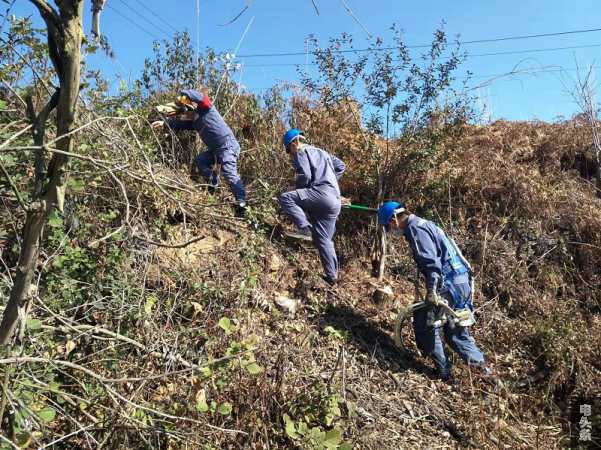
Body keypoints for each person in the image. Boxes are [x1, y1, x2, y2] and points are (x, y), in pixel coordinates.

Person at [378, 202, 499, 385]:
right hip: (461, 281)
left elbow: (431, 263)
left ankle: (445, 374)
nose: (392, 231)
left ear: (394, 220)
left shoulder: (415, 230)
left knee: (425, 326)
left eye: (389, 227)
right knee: (455, 332)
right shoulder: (426, 223)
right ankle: (487, 375)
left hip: (447, 285)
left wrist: (431, 290)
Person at [152, 89, 248, 214]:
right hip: (216, 151)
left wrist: (182, 94)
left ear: (193, 106)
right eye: (184, 113)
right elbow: (180, 124)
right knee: (200, 160)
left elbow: (203, 98)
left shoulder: (206, 109)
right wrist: (164, 123)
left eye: (187, 111)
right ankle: (214, 188)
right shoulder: (195, 122)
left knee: (228, 172)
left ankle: (243, 204)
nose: (186, 115)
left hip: (227, 146)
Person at [279, 129, 346, 286]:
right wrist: (330, 183)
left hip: (320, 194)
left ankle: (304, 229)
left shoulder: (302, 153)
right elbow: (341, 166)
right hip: (335, 201)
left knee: (285, 198)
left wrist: (296, 189)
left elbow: (305, 177)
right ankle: (332, 278)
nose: (291, 155)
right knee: (324, 239)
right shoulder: (322, 152)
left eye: (290, 150)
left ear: (294, 142)